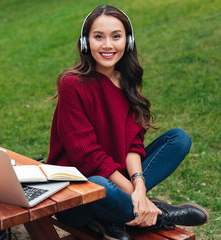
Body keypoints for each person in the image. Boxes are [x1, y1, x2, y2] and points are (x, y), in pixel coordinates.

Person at [47, 5, 209, 240]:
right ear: (85, 42)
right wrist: (136, 195)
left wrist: (139, 188)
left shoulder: (127, 80)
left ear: (128, 41)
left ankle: (115, 216)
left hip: (116, 182)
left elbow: (133, 145)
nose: (107, 45)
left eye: (116, 36)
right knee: (98, 183)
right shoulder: (72, 84)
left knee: (178, 139)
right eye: (98, 37)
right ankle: (162, 215)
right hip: (77, 194)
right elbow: (87, 157)